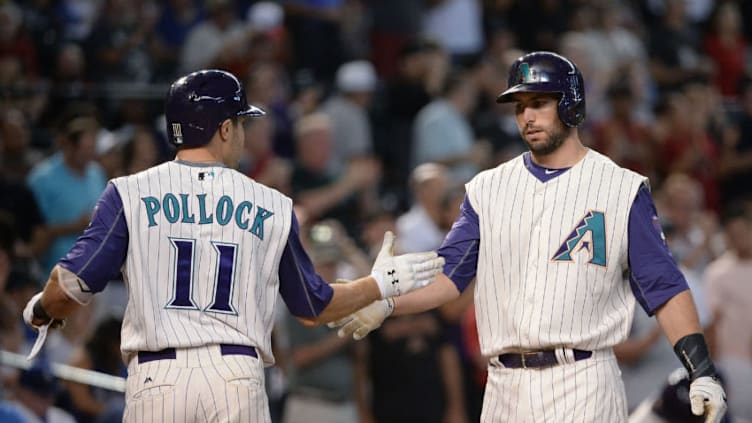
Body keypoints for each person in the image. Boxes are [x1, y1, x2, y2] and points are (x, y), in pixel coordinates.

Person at [21, 69, 444, 423]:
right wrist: (379, 283)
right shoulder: (273, 204)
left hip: (158, 378)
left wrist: (43, 309)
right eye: (241, 123)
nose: (243, 132)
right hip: (235, 378)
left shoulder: (128, 193)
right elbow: (314, 307)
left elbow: (71, 285)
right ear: (224, 129)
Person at [331, 51, 727, 423]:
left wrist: (701, 370)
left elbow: (663, 284)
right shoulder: (487, 188)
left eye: (539, 103)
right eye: (520, 107)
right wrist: (382, 299)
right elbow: (449, 276)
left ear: (571, 105)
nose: (527, 117)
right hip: (505, 386)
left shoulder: (620, 189)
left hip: (583, 379)